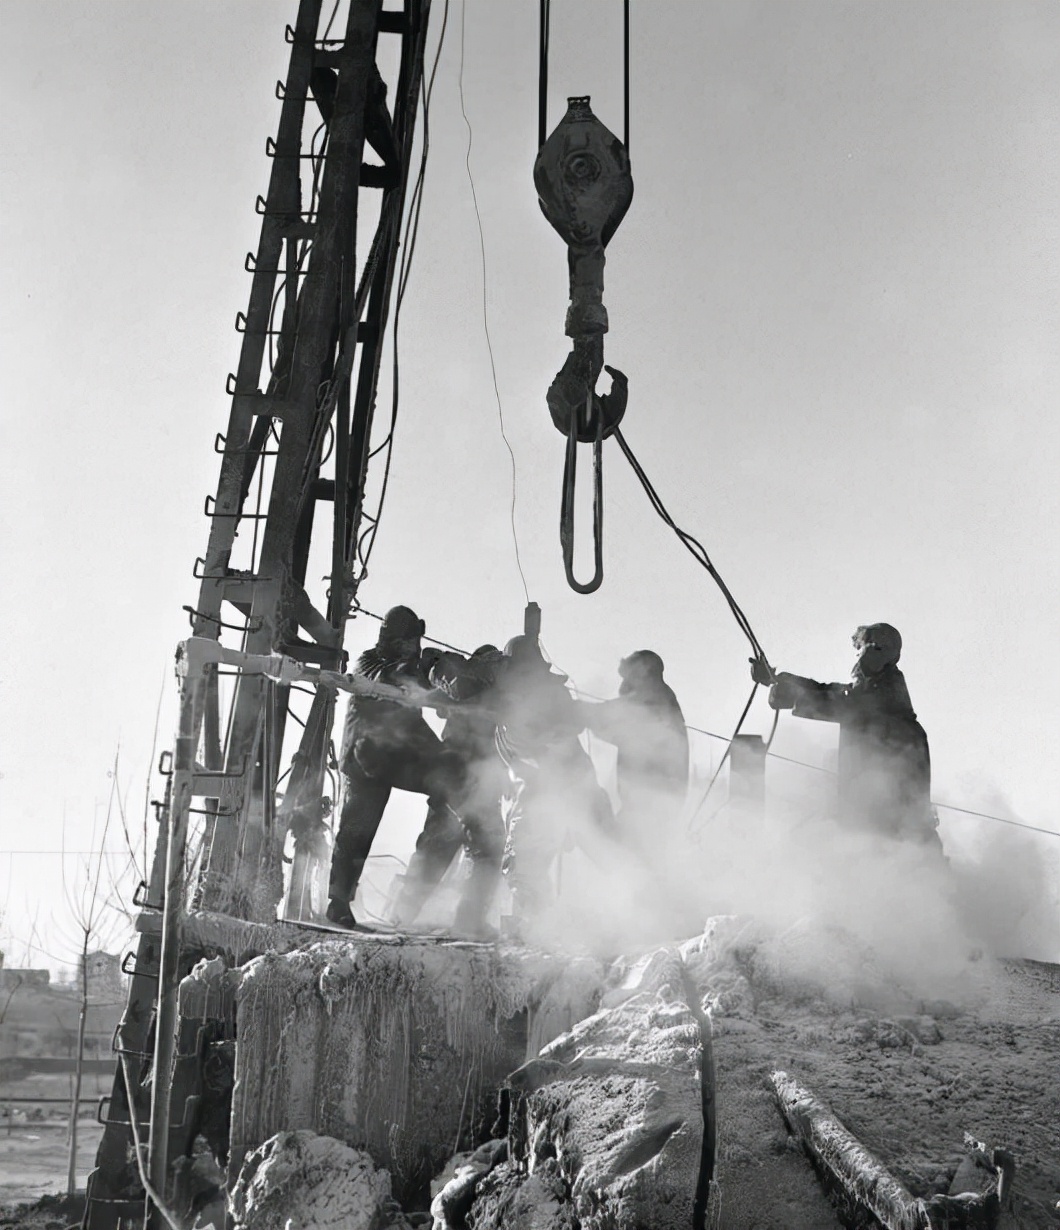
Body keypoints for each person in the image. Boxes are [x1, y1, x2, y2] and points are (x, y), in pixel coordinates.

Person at [326, 606, 465, 928]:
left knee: (459, 789)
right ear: (391, 639)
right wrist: (421, 667)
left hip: (399, 751)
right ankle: (338, 902)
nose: (412, 647)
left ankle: (409, 901)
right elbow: (383, 677)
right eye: (407, 641)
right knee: (357, 830)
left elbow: (419, 713)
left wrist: (443, 679)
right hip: (366, 756)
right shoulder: (369, 661)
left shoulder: (410, 670)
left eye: (413, 642)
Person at [752, 623, 938, 845]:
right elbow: (832, 691)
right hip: (881, 832)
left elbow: (844, 705)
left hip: (890, 835)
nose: (858, 657)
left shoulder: (886, 695)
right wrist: (777, 680)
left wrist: (790, 694)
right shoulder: (877, 688)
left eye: (862, 648)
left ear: (878, 651)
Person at [390, 644, 509, 938]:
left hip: (460, 779)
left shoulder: (462, 686)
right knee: (485, 847)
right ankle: (467, 920)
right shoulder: (478, 688)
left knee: (438, 847)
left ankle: (403, 915)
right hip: (466, 780)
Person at [492, 635, 613, 920]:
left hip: (557, 790)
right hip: (558, 789)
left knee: (528, 858)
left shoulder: (545, 698)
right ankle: (532, 922)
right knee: (605, 847)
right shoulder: (509, 703)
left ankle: (530, 923)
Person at [577, 650, 689, 842]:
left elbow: (612, 715)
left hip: (651, 808)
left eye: (629, 677)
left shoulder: (654, 699)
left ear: (644, 673)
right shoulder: (658, 699)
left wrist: (572, 709)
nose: (624, 685)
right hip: (645, 805)